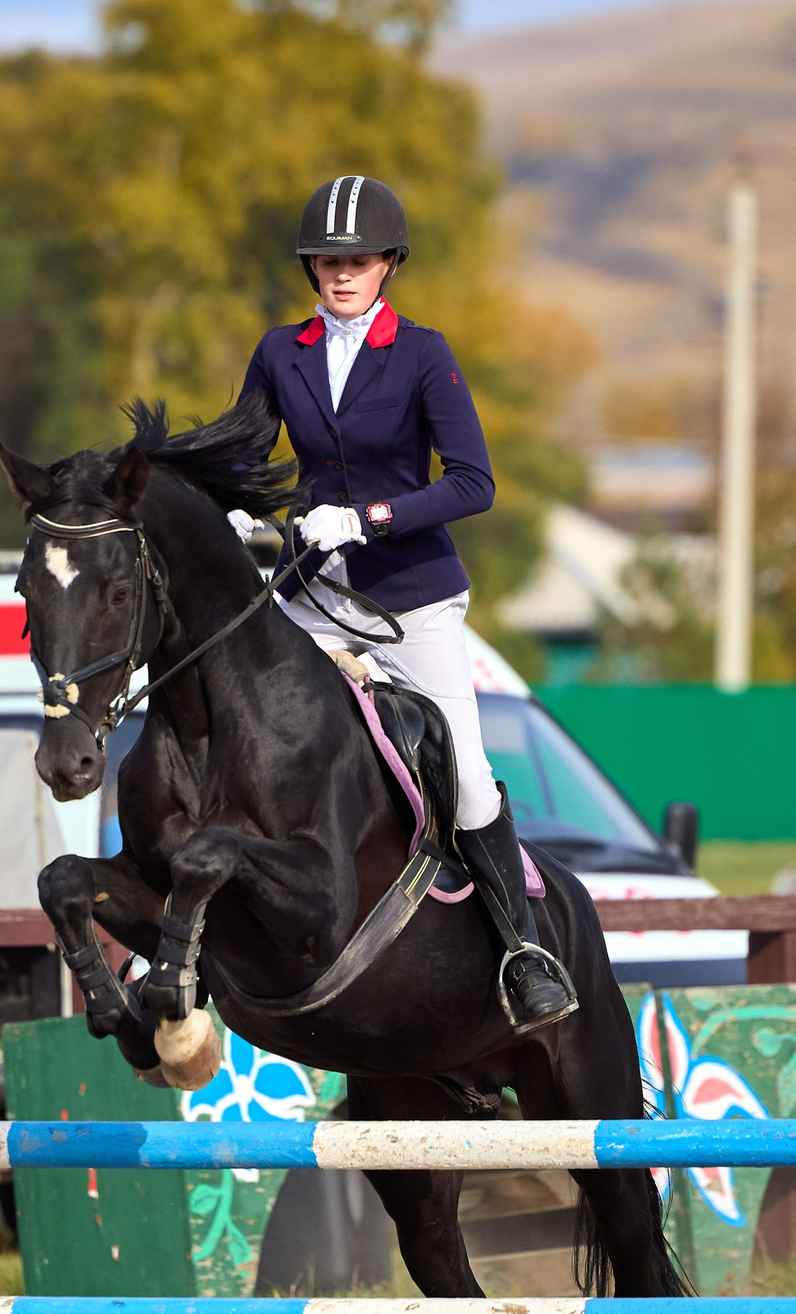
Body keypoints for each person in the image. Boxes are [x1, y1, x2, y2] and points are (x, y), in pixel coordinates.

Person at [231, 173, 573, 1031]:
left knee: (466, 779)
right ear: (311, 268)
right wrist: (232, 505)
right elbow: (246, 453)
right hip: (313, 594)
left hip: (410, 599)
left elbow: (473, 483)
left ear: (389, 264)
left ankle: (523, 951)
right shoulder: (280, 352)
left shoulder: (422, 353)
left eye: (359, 260)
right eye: (328, 261)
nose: (342, 273)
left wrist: (370, 518)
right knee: (245, 736)